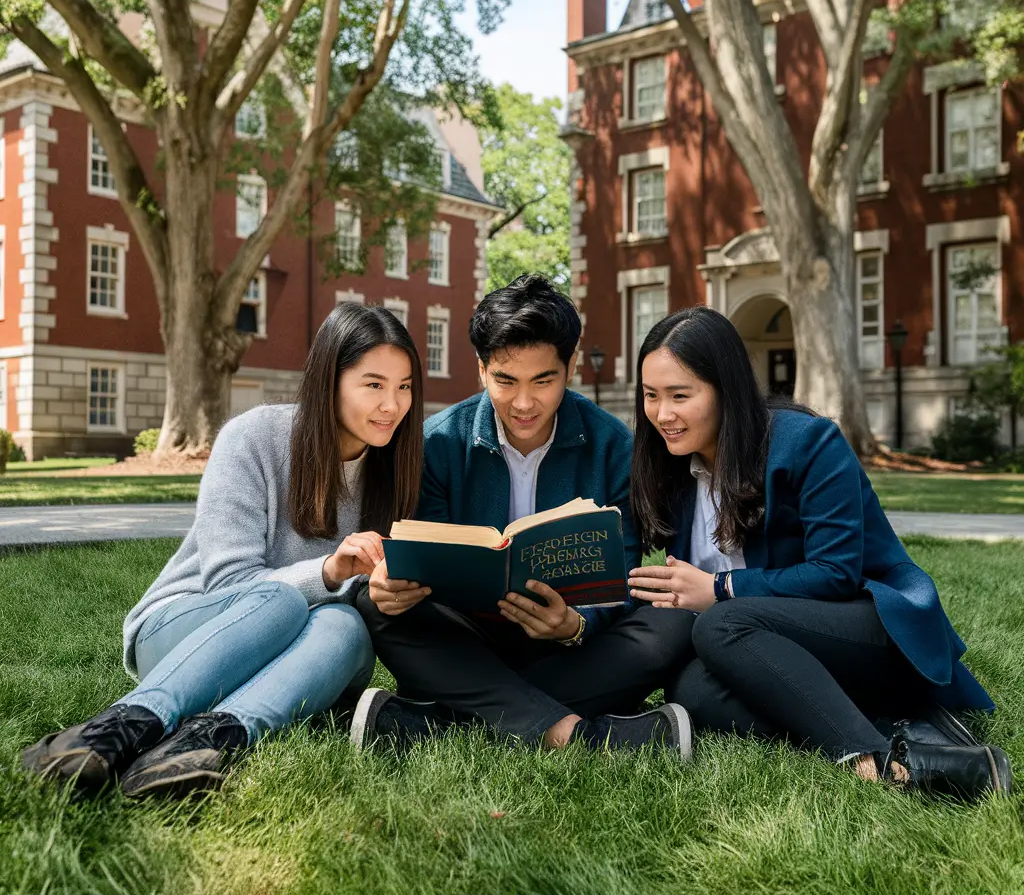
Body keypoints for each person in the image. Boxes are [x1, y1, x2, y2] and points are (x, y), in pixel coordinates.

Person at [22, 303, 422, 798]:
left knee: (346, 626)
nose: (392, 405)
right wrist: (329, 569)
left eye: (404, 387)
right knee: (281, 600)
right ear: (330, 380)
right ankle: (120, 726)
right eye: (374, 384)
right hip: (192, 634)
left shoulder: (397, 469)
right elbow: (229, 583)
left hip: (298, 655)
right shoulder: (253, 438)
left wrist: (382, 588)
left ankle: (205, 742)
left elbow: (361, 603)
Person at [626, 305, 1012, 799]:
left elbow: (835, 573)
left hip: (864, 624)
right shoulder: (673, 467)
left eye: (681, 396)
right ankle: (889, 721)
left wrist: (720, 589)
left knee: (721, 623)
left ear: (728, 391)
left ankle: (885, 763)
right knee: (692, 690)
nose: (663, 414)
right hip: (769, 646)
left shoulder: (807, 442)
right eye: (651, 396)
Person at [352, 275, 694, 754]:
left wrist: (575, 625)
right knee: (372, 603)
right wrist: (394, 586)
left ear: (570, 367)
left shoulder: (615, 446)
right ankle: (580, 736)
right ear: (481, 369)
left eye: (543, 380)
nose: (524, 403)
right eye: (505, 381)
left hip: (566, 643)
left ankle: (446, 721)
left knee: (673, 623)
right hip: (466, 639)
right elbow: (419, 555)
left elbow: (626, 571)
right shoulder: (438, 443)